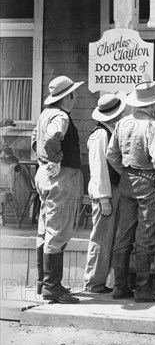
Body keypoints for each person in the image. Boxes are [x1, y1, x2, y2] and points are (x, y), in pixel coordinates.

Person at [106, 81, 155, 303]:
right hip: (148, 181)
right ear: (151, 105)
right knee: (145, 235)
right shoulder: (153, 127)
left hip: (127, 179)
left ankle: (119, 285)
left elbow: (111, 155)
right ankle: (143, 288)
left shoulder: (122, 123)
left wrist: (125, 171)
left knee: (124, 233)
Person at [32, 75, 84, 304]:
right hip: (60, 177)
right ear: (68, 96)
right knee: (58, 230)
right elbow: (52, 138)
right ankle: (53, 288)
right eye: (74, 93)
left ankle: (44, 283)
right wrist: (55, 160)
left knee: (46, 229)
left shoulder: (45, 114)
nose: (76, 96)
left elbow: (35, 139)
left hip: (44, 174)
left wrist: (45, 160)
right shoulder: (61, 116)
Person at [82, 93, 127, 294]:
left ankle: (101, 281)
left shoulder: (110, 132)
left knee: (109, 237)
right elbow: (98, 167)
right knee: (101, 238)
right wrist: (103, 197)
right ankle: (93, 282)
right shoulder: (100, 134)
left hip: (113, 190)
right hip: (105, 192)